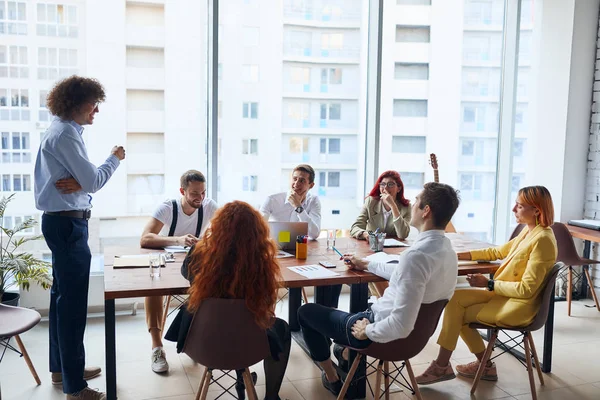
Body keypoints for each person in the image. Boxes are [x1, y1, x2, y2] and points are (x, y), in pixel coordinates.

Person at [297, 182, 460, 396]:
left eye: (417, 202)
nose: (412, 205)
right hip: (416, 340)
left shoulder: (416, 256)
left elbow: (401, 326)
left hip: (383, 335)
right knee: (349, 319)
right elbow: (406, 274)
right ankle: (344, 352)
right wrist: (366, 264)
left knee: (306, 313)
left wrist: (367, 331)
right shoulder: (447, 251)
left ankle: (332, 377)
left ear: (426, 211)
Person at [34, 76, 125, 400]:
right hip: (69, 227)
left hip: (62, 223)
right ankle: (75, 387)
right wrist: (114, 157)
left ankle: (63, 369)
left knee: (62, 302)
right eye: (92, 104)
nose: (96, 110)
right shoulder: (66, 135)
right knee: (71, 307)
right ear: (76, 103)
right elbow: (94, 181)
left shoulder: (61, 131)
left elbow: (83, 181)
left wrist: (80, 181)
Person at [415, 186, 557, 385]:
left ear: (536, 210)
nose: (513, 209)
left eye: (520, 205)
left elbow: (527, 290)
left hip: (519, 305)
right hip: (507, 296)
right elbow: (497, 252)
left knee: (458, 314)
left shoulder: (543, 240)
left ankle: (443, 365)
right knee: (454, 299)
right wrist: (457, 255)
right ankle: (483, 366)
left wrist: (489, 283)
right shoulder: (530, 231)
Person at [164, 201, 291, 400]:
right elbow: (266, 304)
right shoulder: (261, 261)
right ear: (256, 230)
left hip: (203, 342)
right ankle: (271, 396)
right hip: (247, 344)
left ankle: (242, 377)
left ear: (217, 225)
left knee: (228, 320)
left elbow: (185, 272)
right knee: (275, 327)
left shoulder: (200, 254)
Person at [139, 170, 218, 373]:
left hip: (193, 264)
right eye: (194, 193)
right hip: (167, 262)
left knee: (215, 286)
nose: (199, 198)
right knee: (153, 288)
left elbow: (224, 232)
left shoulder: (208, 206)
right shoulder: (168, 208)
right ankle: (157, 347)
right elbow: (145, 238)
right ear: (182, 191)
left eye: (202, 193)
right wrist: (178, 239)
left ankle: (197, 340)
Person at [260, 164, 343, 308]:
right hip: (276, 253)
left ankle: (322, 317)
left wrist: (298, 207)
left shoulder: (313, 201)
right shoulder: (273, 200)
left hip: (302, 255)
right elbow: (259, 229)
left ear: (311, 185)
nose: (296, 184)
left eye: (302, 181)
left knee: (333, 273)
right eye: (294, 179)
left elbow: (315, 233)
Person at [350, 170, 411, 240]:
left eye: (390, 184)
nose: (385, 188)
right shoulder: (371, 202)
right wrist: (365, 234)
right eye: (382, 184)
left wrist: (393, 206)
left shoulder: (406, 207)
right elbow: (355, 227)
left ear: (399, 188)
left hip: (394, 249)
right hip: (371, 245)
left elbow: (403, 235)